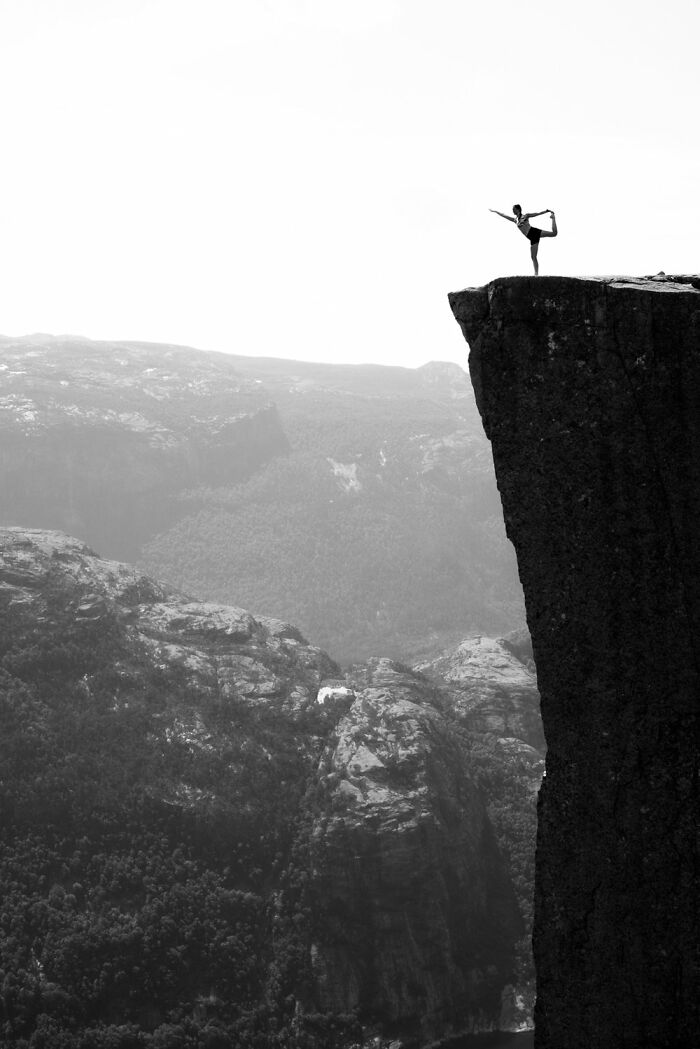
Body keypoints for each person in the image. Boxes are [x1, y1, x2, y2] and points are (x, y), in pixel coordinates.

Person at [489, 204, 557, 275]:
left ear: (518, 209)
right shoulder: (515, 220)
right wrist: (495, 211)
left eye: (513, 209)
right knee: (533, 256)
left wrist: (545, 211)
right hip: (531, 237)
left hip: (533, 232)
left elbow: (536, 214)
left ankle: (553, 218)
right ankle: (536, 274)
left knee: (554, 234)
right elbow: (504, 216)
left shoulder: (525, 216)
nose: (512, 210)